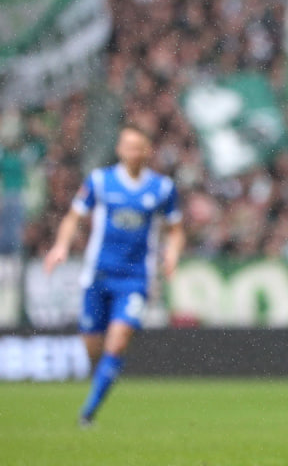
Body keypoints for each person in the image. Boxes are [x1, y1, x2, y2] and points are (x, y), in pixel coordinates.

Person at [42, 125, 184, 427]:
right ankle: (104, 374)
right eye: (127, 146)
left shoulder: (162, 188)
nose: (132, 152)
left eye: (138, 147)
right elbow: (73, 217)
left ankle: (87, 413)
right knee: (92, 346)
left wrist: (172, 253)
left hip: (135, 278)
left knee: (117, 342)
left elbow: (175, 229)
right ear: (119, 149)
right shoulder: (100, 181)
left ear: (147, 151)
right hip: (98, 274)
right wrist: (61, 245)